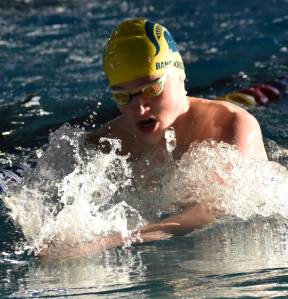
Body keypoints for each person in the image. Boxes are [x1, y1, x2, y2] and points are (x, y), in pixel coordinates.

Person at [39, 18, 268, 259]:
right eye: (123, 97)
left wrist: (106, 242)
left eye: (151, 89)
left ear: (180, 75)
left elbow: (216, 211)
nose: (139, 108)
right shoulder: (105, 146)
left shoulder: (231, 126)